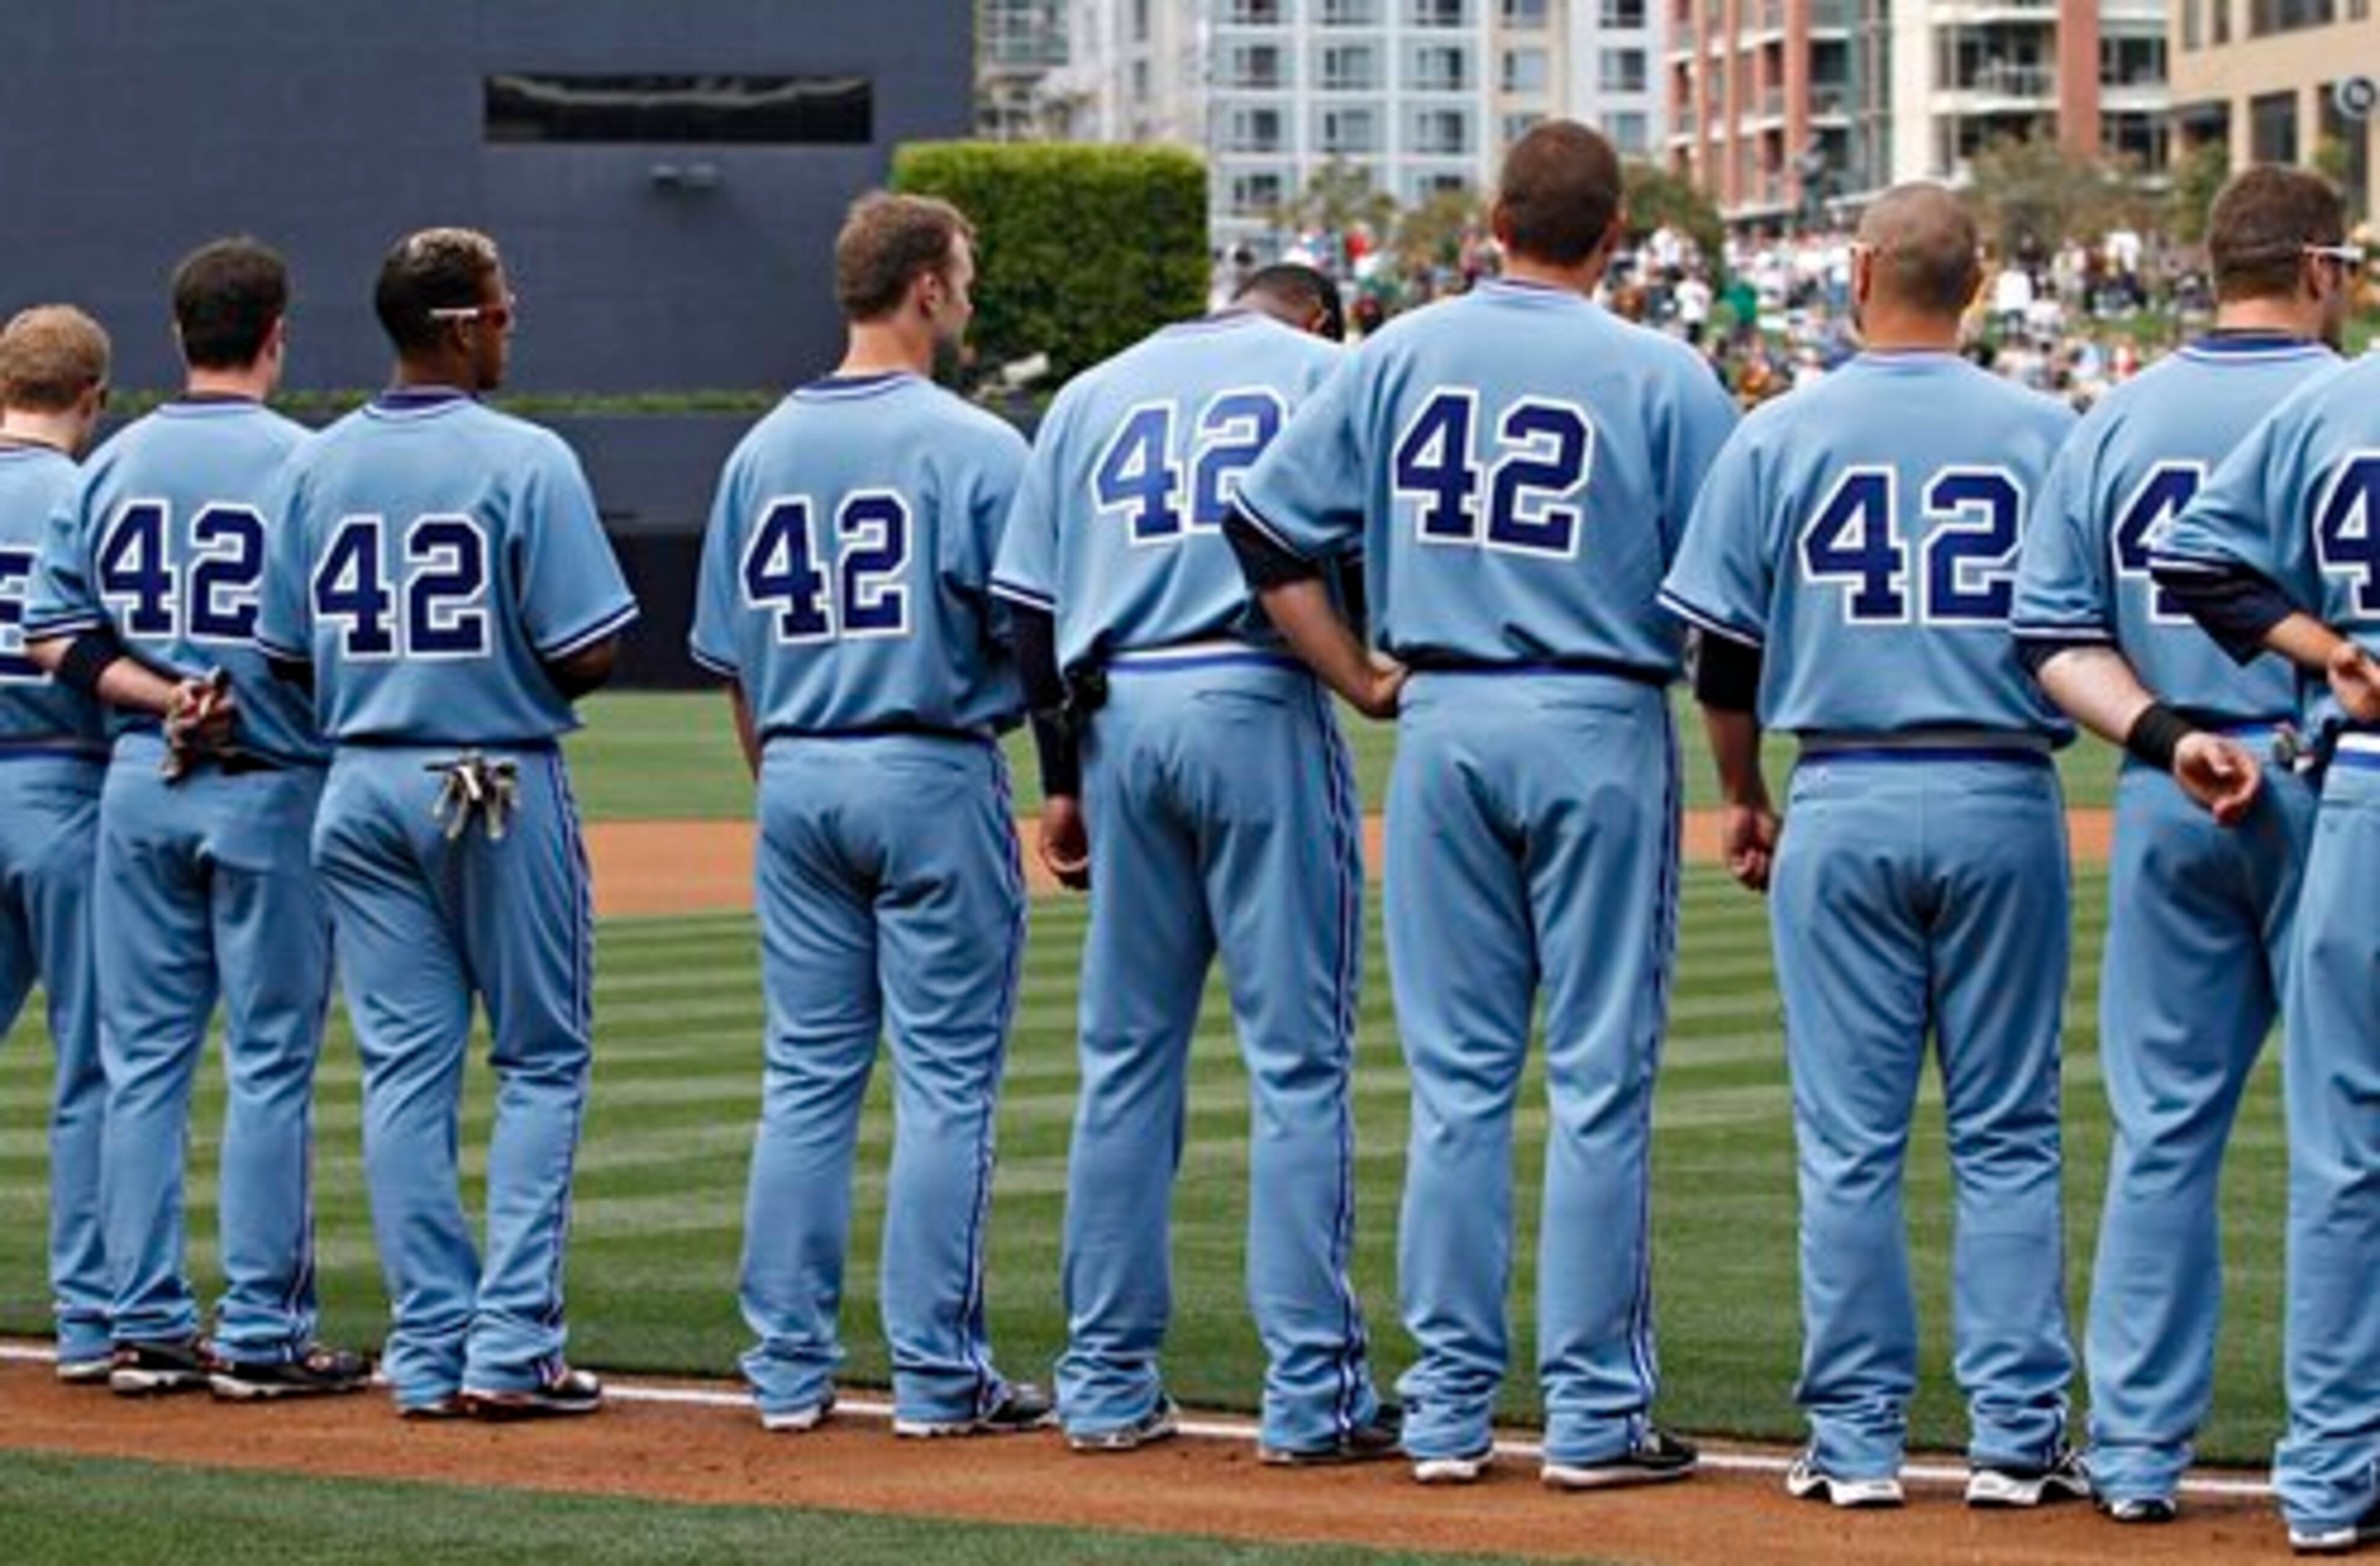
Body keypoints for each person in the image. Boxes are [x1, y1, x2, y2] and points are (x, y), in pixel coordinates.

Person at [1226, 120, 1739, 1488]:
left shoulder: (1394, 351)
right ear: (1615, 234)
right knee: (1596, 1082)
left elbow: (1264, 531)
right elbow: (1729, 598)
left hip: (1444, 716)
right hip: (1596, 713)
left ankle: (1447, 1413)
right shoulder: (1665, 370)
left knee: (1455, 1087)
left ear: (1493, 219)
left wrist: (1355, 677)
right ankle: (1590, 1417)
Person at [1660, 182, 2084, 1511]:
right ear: (1977, 285)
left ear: (1856, 275)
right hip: (2002, 791)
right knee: (2008, 1131)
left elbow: (1720, 655)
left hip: (1840, 791)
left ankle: (1854, 1445)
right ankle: (2017, 1439)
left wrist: (1743, 795)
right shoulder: (2050, 430)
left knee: (1849, 1140)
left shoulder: (1781, 429)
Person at [992, 263, 1388, 1461]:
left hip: (1117, 720)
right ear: (1319, 314)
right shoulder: (1332, 371)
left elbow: (1028, 609)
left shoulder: (1095, 391)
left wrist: (1060, 779)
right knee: (1297, 1064)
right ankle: (1313, 1395)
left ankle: (1106, 1384)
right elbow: (1360, 566)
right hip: (1258, 697)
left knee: (1124, 1064)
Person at [2011, 166, 2349, 1526]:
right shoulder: (2347, 404)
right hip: (2337, 785)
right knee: (2349, 1139)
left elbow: (2049, 639)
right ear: (2321, 268)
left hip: (2171, 783)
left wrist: (2161, 740)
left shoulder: (2117, 416)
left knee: (2162, 1133)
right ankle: (2341, 1461)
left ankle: (2139, 1452)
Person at [254, 227, 637, 1419]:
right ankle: (510, 1345)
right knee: (540, 1058)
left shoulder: (314, 465)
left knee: (404, 1075)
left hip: (359, 781)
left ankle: (428, 1350)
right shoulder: (524, 457)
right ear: (461, 325)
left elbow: (281, 658)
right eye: (502, 310)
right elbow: (589, 649)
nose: (512, 322)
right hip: (488, 779)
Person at [688, 193, 1049, 1439]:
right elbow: (1032, 639)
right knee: (945, 1084)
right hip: (928, 766)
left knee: (806, 1079)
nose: (971, 291)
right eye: (965, 270)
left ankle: (787, 1375)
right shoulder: (975, 443)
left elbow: (730, 661)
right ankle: (940, 1380)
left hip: (795, 771)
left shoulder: (758, 450)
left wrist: (783, 777)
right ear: (926, 291)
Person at [25, 239, 367, 1401]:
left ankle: (142, 1326)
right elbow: (335, 647)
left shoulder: (110, 467)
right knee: (269, 1062)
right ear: (278, 330)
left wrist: (168, 698)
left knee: (141, 1064)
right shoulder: (314, 463)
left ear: (178, 337)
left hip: (137, 780)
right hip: (270, 782)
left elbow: (58, 640)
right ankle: (264, 1334)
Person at [2151, 234, 2380, 1558]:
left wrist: (2333, 648)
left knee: (2347, 1155)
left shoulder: (2332, 403)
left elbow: (2200, 567)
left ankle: (2330, 1482)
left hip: (2360, 796)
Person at [0, 305, 117, 1385]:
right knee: (92, 1067)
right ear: (92, 397)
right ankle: (90, 1319)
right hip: (66, 790)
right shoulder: (91, 496)